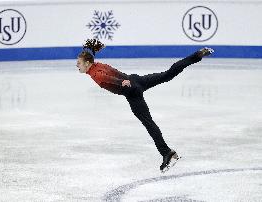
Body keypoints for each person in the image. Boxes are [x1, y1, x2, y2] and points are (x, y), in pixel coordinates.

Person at [76, 39, 214, 172]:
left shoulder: (94, 73)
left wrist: (120, 83)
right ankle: (197, 55)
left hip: (132, 92)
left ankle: (167, 153)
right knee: (167, 74)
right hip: (136, 80)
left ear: (87, 63)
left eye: (79, 63)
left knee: (148, 123)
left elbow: (105, 77)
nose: (77, 66)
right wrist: (123, 79)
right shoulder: (98, 65)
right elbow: (109, 72)